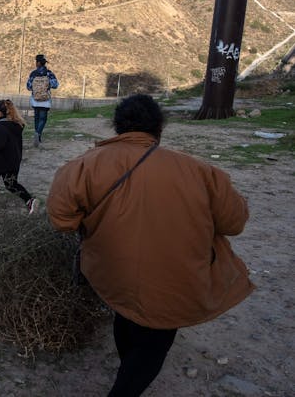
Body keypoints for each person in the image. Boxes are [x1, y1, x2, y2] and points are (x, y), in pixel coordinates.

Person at [46, 94, 254, 397]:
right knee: (153, 342)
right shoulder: (199, 171)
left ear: (117, 127)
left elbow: (61, 221)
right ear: (159, 129)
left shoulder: (81, 166)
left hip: (111, 273)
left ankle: (127, 371)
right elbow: (234, 224)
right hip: (174, 281)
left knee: (127, 316)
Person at [0, 99, 39, 216]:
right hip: (13, 161)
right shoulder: (16, 124)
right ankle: (29, 200)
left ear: (0, 113)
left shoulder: (0, 126)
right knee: (11, 184)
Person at [26, 53, 59, 147]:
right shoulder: (49, 73)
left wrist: (36, 88)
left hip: (35, 100)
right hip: (45, 100)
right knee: (43, 119)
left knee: (36, 118)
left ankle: (37, 134)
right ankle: (38, 134)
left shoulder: (33, 73)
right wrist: (47, 86)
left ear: (38, 63)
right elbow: (55, 85)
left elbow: (28, 87)